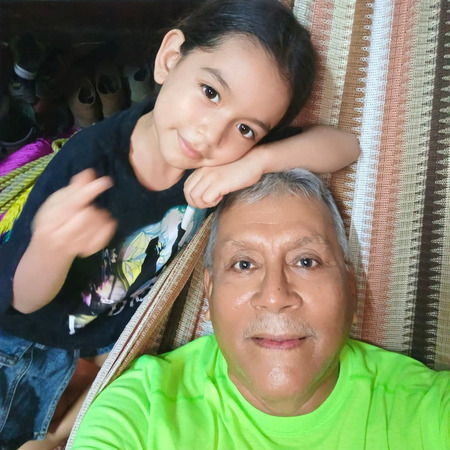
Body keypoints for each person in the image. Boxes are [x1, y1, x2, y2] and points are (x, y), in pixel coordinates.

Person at [0, 0, 360, 448]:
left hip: (105, 345)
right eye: (210, 92)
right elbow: (20, 300)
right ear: (171, 58)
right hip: (22, 341)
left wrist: (254, 163)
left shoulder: (229, 161)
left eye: (246, 129)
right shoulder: (87, 164)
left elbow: (345, 146)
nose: (211, 134)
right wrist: (52, 246)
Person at [72, 168, 449, 450]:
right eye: (244, 264)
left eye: (306, 261)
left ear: (351, 291)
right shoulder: (141, 413)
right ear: (209, 294)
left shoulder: (425, 411)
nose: (274, 295)